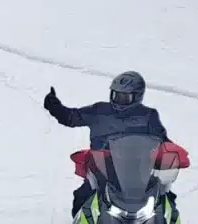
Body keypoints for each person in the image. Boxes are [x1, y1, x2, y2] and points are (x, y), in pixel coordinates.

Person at [43, 71, 174, 215]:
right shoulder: (99, 111)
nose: (118, 101)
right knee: (83, 196)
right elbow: (71, 118)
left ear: (137, 96)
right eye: (115, 95)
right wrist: (54, 105)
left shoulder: (148, 116)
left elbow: (162, 140)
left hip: (138, 170)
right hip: (102, 168)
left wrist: (172, 154)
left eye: (124, 97)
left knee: (164, 197)